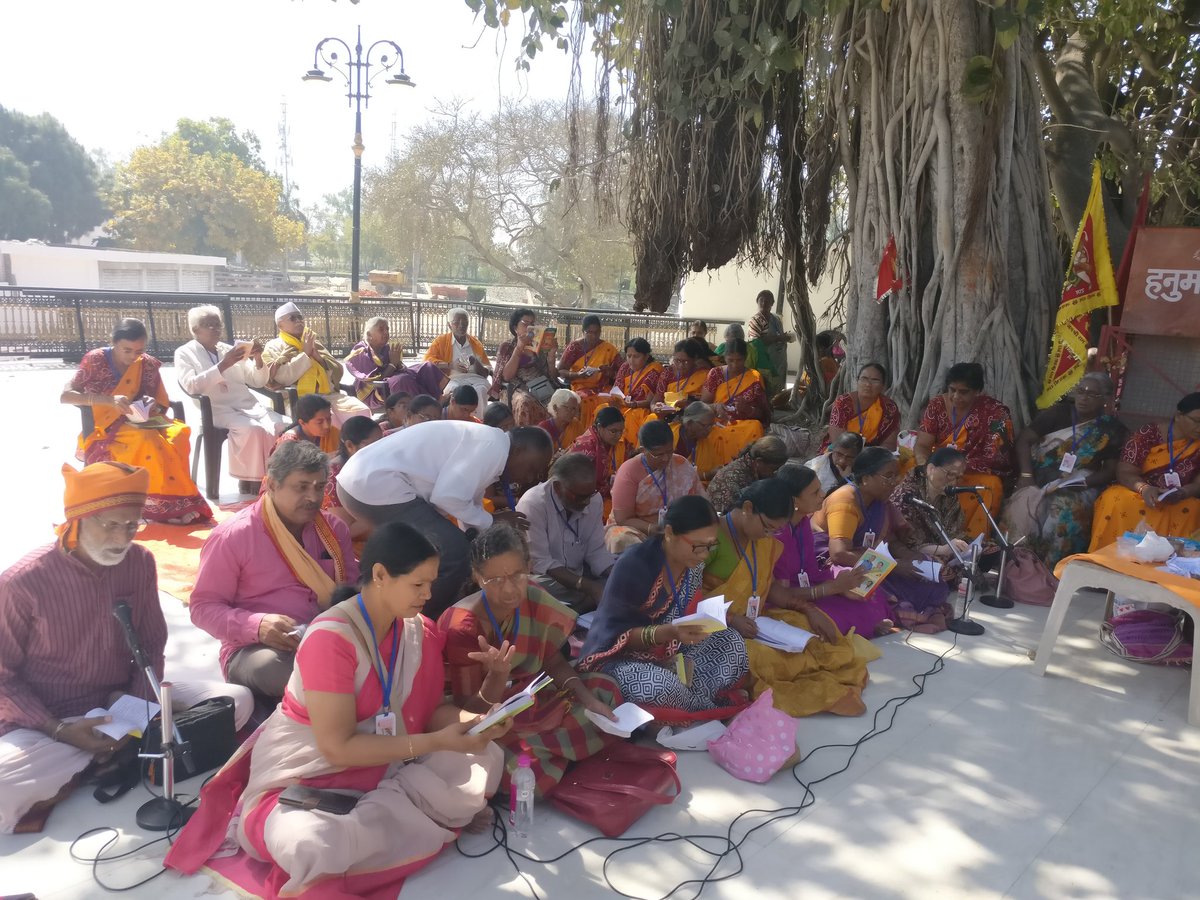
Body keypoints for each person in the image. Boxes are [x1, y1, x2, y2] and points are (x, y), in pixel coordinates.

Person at [165, 523, 506, 897]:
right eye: (418, 584)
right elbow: (337, 747)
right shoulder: (330, 639)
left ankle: (397, 820)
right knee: (311, 845)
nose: (428, 594)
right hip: (308, 772)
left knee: (486, 754)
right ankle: (409, 820)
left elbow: (429, 713)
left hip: (388, 761)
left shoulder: (418, 632)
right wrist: (432, 743)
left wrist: (472, 723)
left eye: (431, 583)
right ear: (379, 575)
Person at [0, 463, 252, 834]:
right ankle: (113, 753)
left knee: (238, 699)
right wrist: (57, 730)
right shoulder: (22, 582)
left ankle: (110, 752)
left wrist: (131, 713)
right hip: (53, 719)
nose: (121, 538)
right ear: (78, 519)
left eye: (132, 525)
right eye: (110, 524)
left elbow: (151, 644)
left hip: (126, 703)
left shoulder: (139, 562)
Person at [440, 525, 621, 794]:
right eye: (496, 580)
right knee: (519, 771)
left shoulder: (532, 595)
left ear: (529, 566)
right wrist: (496, 677)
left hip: (526, 698)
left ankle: (558, 758)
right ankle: (562, 757)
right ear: (478, 577)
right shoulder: (463, 627)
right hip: (490, 719)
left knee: (606, 691)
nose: (510, 589)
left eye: (517, 576)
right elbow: (467, 711)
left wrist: (589, 701)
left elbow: (553, 662)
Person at [190, 441, 358, 707]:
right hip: (260, 648)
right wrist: (257, 625)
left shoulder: (333, 529)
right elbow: (202, 608)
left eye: (319, 487)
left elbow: (350, 589)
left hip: (327, 635)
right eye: (301, 487)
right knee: (276, 670)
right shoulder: (234, 536)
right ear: (272, 485)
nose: (313, 497)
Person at [335, 421, 555, 619]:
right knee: (454, 552)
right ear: (519, 450)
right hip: (374, 485)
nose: (530, 478)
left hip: (359, 483)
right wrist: (491, 521)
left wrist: (484, 529)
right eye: (533, 468)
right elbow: (448, 497)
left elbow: (467, 507)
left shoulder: (491, 445)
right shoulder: (493, 448)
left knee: (442, 548)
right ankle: (422, 622)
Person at [704, 478, 869, 717]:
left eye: (774, 530)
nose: (768, 535)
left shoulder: (761, 542)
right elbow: (687, 596)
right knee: (758, 656)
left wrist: (808, 608)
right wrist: (730, 619)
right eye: (768, 527)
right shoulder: (711, 539)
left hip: (755, 620)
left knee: (810, 630)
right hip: (714, 625)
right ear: (748, 509)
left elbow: (768, 587)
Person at [579, 495, 749, 722]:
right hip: (620, 658)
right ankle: (702, 704)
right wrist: (669, 632)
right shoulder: (635, 566)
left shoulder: (693, 565)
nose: (704, 555)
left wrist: (694, 628)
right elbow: (615, 636)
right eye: (698, 546)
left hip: (672, 649)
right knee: (659, 686)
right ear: (669, 533)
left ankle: (687, 703)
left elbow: (685, 612)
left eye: (710, 546)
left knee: (732, 643)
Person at [61, 317, 211, 524]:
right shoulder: (95, 359)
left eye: (138, 351)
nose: (133, 356)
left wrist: (151, 404)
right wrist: (108, 401)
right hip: (106, 424)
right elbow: (66, 395)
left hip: (142, 419)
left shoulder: (147, 363)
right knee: (148, 440)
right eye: (127, 350)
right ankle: (153, 505)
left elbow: (160, 402)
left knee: (179, 434)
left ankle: (177, 501)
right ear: (113, 343)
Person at [814, 447, 954, 635]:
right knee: (867, 582)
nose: (895, 482)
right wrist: (894, 566)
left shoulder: (880, 502)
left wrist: (914, 559)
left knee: (933, 580)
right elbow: (839, 554)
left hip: (873, 560)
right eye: (888, 476)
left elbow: (891, 542)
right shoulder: (845, 500)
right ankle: (890, 613)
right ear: (865, 479)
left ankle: (899, 608)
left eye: (897, 476)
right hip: (834, 564)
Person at [1009, 373, 1126, 565]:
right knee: (1023, 503)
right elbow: (1024, 440)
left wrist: (1085, 482)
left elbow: (1111, 470)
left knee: (1065, 508)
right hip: (1038, 476)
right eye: (1081, 391)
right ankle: (1014, 564)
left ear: (1105, 399)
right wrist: (1026, 475)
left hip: (1079, 484)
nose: (1084, 398)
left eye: (1092, 394)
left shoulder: (1111, 428)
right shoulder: (1058, 413)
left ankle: (1052, 567)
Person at [175, 305, 289, 494]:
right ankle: (250, 483)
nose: (215, 328)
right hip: (216, 409)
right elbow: (191, 386)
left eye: (217, 324)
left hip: (248, 405)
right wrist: (224, 364)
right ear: (195, 330)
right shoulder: (184, 353)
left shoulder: (230, 349)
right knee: (253, 429)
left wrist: (258, 358)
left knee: (284, 426)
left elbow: (257, 380)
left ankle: (278, 479)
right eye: (208, 325)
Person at [915, 362, 1015, 539]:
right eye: (952, 389)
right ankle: (915, 535)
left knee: (990, 486)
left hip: (970, 471)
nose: (956, 396)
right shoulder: (937, 406)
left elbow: (997, 457)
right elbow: (922, 445)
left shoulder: (995, 413)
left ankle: (968, 542)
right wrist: (926, 467)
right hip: (936, 466)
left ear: (978, 391)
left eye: (964, 392)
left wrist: (954, 472)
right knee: (907, 469)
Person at [1090, 392, 1200, 549]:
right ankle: (1107, 557)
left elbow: (1198, 483)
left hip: (1178, 497)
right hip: (1138, 491)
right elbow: (1125, 471)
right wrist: (1144, 488)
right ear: (1178, 416)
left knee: (1193, 509)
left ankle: (1170, 566)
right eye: (1197, 421)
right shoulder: (1148, 434)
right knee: (1114, 499)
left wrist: (1182, 492)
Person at [515, 453, 616, 611]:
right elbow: (541, 562)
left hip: (581, 573)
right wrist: (588, 587)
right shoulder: (533, 503)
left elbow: (595, 551)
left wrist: (616, 574)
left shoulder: (594, 500)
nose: (587, 502)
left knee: (622, 567)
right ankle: (580, 607)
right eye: (580, 497)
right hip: (547, 579)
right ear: (557, 487)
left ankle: (574, 610)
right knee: (532, 589)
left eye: (591, 494)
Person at [262, 302, 370, 427]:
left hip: (328, 395)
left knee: (361, 410)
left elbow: (338, 372)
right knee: (328, 419)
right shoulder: (273, 346)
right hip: (296, 399)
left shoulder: (313, 342)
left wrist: (319, 359)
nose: (298, 321)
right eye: (292, 318)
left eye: (300, 317)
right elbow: (281, 378)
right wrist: (306, 355)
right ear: (280, 325)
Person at [606, 420, 705, 553]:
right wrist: (652, 529)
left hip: (675, 527)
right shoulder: (629, 471)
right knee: (623, 540)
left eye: (669, 452)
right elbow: (623, 519)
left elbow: (698, 503)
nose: (666, 458)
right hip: (636, 529)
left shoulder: (681, 464)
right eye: (658, 454)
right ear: (643, 450)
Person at [890, 447, 979, 581]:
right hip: (907, 554)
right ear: (931, 468)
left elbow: (953, 533)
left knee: (986, 549)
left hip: (943, 550)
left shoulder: (949, 495)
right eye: (950, 474)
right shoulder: (907, 495)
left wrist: (960, 545)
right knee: (938, 567)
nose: (953, 482)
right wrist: (944, 549)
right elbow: (906, 544)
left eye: (958, 477)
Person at [344, 316, 447, 410]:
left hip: (390, 384)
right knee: (401, 379)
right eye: (381, 329)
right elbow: (374, 380)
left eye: (387, 329)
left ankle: (435, 400)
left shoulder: (387, 348)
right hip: (374, 393)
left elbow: (400, 369)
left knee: (427, 367)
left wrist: (398, 364)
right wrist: (393, 364)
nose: (386, 332)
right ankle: (426, 408)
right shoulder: (360, 353)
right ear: (369, 335)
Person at [323, 415, 385, 550]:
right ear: (350, 446)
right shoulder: (333, 476)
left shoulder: (379, 464)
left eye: (382, 442)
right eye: (373, 444)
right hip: (351, 547)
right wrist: (391, 518)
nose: (381, 449)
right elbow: (346, 531)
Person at [491, 307, 559, 426]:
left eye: (532, 324)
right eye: (525, 324)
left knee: (566, 400)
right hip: (517, 388)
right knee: (525, 402)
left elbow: (552, 376)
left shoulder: (540, 347)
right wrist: (519, 348)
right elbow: (506, 376)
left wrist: (552, 355)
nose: (530, 328)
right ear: (515, 328)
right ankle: (525, 439)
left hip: (543, 386)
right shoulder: (507, 346)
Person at [701, 337, 771, 451]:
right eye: (730, 360)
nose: (735, 364)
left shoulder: (754, 377)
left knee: (755, 427)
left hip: (743, 424)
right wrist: (715, 406)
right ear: (724, 357)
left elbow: (763, 415)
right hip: (717, 422)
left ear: (745, 358)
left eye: (739, 360)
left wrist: (748, 409)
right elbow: (702, 405)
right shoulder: (715, 374)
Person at [557, 313, 621, 431]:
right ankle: (584, 434)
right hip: (580, 387)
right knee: (584, 402)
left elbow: (622, 373)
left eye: (596, 332)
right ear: (583, 331)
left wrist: (609, 372)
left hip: (603, 388)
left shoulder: (608, 348)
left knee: (613, 402)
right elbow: (560, 370)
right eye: (589, 332)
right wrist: (577, 375)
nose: (593, 336)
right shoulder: (575, 347)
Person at [423, 307, 492, 416]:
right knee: (454, 390)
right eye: (457, 322)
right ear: (449, 325)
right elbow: (427, 363)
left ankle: (479, 423)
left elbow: (486, 371)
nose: (461, 325)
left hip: (476, 379)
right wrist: (451, 365)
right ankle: (456, 421)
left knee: (481, 389)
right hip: (453, 379)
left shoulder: (475, 343)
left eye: (465, 322)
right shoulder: (440, 342)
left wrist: (476, 363)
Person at [823, 362, 901, 451]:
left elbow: (889, 444)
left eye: (875, 380)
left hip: (873, 454)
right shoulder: (843, 403)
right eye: (864, 378)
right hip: (841, 453)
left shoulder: (890, 408)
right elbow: (837, 439)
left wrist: (870, 455)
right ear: (857, 381)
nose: (868, 384)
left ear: (883, 386)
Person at [568, 406, 628, 519]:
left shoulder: (615, 443)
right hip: (582, 501)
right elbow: (576, 484)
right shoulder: (586, 446)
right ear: (600, 427)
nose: (619, 435)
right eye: (613, 431)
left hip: (604, 494)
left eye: (621, 431)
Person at [706, 435, 789, 514]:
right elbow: (731, 518)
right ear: (759, 462)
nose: (775, 474)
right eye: (774, 469)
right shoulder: (731, 481)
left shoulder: (752, 468)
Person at [612, 337, 665, 446]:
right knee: (602, 408)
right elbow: (616, 389)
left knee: (632, 415)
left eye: (636, 356)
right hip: (623, 406)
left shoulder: (654, 369)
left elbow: (649, 401)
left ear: (646, 356)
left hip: (640, 409)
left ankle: (629, 451)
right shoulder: (625, 367)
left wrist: (634, 404)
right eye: (629, 356)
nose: (631, 360)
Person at [670, 401, 732, 483]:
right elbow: (670, 475)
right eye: (706, 426)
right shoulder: (670, 436)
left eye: (712, 425)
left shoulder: (707, 442)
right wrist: (706, 475)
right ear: (689, 423)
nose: (710, 430)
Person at [652, 340, 711, 421]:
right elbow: (655, 400)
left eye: (685, 361)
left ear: (695, 359)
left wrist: (688, 405)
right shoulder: (668, 373)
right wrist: (656, 408)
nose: (680, 365)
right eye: (677, 360)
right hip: (665, 416)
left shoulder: (704, 375)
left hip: (692, 419)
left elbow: (707, 405)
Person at [747, 289, 793, 393]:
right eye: (761, 300)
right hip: (764, 360)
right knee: (764, 386)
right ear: (757, 302)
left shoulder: (775, 319)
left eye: (767, 301)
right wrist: (779, 338)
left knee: (778, 386)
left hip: (779, 359)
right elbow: (756, 343)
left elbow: (779, 334)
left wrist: (785, 337)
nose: (764, 303)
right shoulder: (755, 320)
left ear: (772, 303)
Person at [272, 393, 339, 457]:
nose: (327, 426)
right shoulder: (288, 443)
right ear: (302, 423)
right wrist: (325, 459)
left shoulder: (333, 433)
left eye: (328, 418)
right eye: (320, 422)